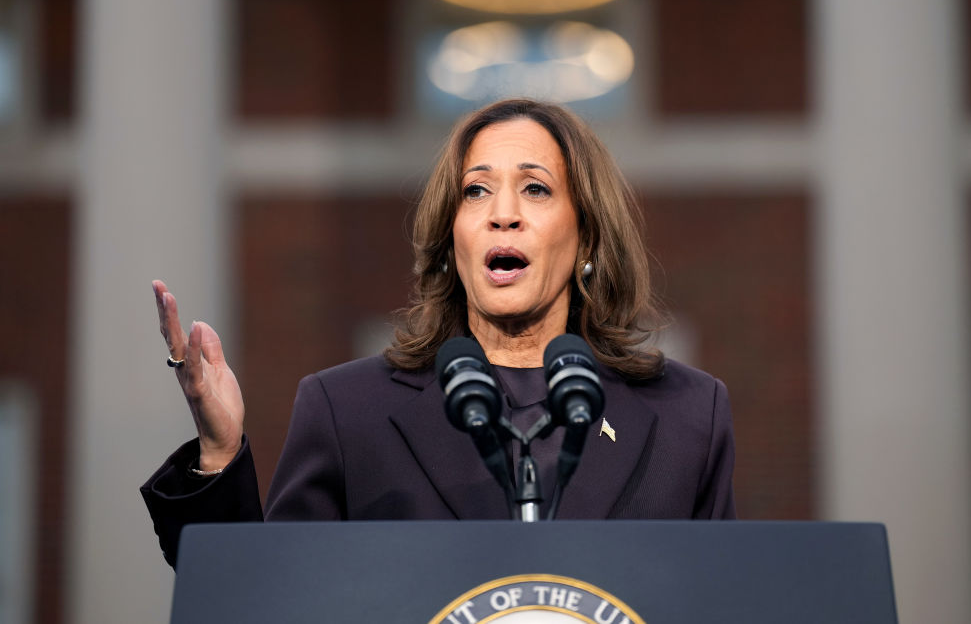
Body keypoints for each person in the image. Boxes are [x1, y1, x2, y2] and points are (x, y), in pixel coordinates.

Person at [141, 98, 736, 568]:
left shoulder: (688, 415)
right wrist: (219, 457)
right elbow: (269, 601)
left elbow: (723, 603)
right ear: (453, 239)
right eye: (476, 190)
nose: (503, 212)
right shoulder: (349, 412)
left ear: (586, 238)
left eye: (536, 188)